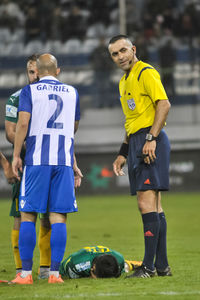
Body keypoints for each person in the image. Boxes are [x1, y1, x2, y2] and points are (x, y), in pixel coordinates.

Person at [11, 53, 82, 285]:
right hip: (62, 162)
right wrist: (72, 160)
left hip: (37, 160)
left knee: (28, 215)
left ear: (38, 72)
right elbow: (72, 128)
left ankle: (25, 274)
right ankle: (54, 274)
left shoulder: (29, 91)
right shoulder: (72, 92)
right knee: (58, 217)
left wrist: (15, 156)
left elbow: (22, 123)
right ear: (58, 71)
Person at [108, 35, 172, 278]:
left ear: (133, 49)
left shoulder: (146, 71)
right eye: (115, 54)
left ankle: (147, 267)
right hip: (137, 140)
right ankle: (162, 266)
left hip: (149, 139)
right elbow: (130, 122)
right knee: (154, 205)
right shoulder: (124, 82)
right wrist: (122, 153)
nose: (120, 56)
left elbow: (164, 104)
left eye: (123, 50)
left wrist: (151, 138)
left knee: (145, 203)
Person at [5, 54, 52, 279]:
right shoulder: (16, 98)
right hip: (26, 163)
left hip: (49, 160)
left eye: (38, 72)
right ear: (27, 73)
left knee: (50, 214)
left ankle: (45, 268)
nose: (35, 76)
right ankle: (20, 269)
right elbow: (11, 132)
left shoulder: (51, 96)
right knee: (21, 214)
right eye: (31, 72)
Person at [59, 245, 142, 278]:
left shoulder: (119, 259)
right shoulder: (77, 265)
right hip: (74, 262)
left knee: (125, 267)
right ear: (93, 268)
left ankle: (134, 264)